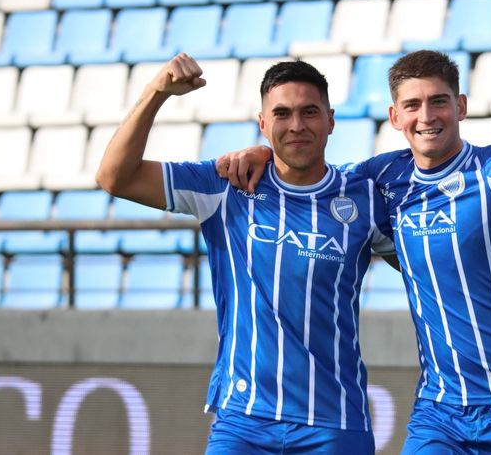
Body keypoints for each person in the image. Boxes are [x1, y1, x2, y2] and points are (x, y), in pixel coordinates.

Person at [216, 25, 491, 454]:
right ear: (395, 117)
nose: (426, 116)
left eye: (438, 102)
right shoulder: (382, 178)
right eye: (413, 105)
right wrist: (263, 154)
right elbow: (311, 172)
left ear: (460, 106)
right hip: (439, 411)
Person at [96, 54, 394, 454]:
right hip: (243, 422)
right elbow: (115, 177)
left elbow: (429, 265)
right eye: (282, 113)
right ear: (263, 123)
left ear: (331, 120)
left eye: (309, 112)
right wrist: (156, 93)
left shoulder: (364, 199)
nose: (296, 125)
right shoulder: (225, 185)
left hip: (335, 425)